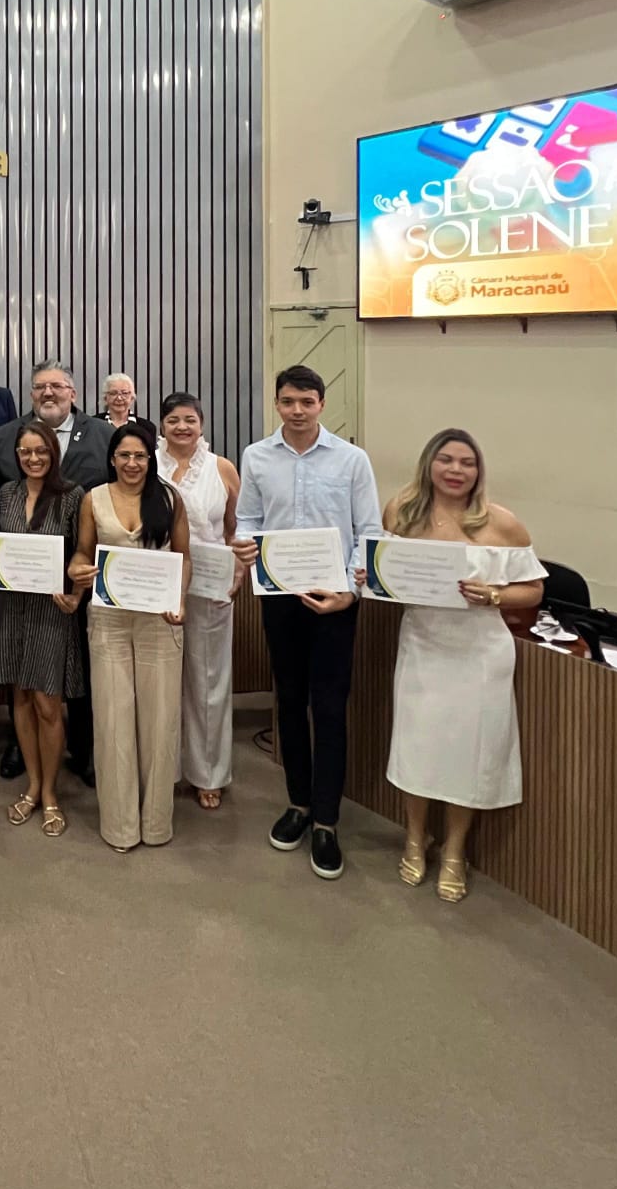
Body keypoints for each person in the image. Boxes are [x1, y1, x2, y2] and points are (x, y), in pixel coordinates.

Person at [379, 429, 546, 902]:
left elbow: (533, 590)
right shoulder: (401, 512)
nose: (456, 470)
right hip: (423, 645)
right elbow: (383, 571)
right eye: (446, 460)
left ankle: (455, 849)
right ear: (429, 465)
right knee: (418, 746)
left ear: (478, 471)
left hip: (479, 653)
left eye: (466, 463)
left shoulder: (503, 524)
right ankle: (415, 837)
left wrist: (494, 594)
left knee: (468, 755)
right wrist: (369, 575)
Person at [233, 364, 383, 881]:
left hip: (335, 602)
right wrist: (246, 545)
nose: (297, 411)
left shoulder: (351, 460)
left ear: (322, 404)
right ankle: (298, 804)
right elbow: (248, 520)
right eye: (288, 402)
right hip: (279, 599)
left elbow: (369, 531)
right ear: (277, 404)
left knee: (330, 710)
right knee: (289, 704)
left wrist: (348, 593)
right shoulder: (256, 456)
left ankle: (327, 821)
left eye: (307, 402)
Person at [0, 361, 115, 785]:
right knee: (23, 673)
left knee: (80, 666)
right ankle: (20, 747)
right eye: (40, 387)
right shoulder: (6, 436)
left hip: (84, 577)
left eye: (57, 387)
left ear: (73, 393)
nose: (48, 394)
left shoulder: (103, 435)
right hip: (21, 585)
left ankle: (84, 746)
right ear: (30, 395)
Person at [68, 424, 189, 852]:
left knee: (159, 722)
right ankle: (120, 826)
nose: (132, 464)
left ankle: (156, 824)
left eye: (139, 456)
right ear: (113, 459)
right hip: (109, 620)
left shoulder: (170, 499)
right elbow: (83, 553)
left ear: (150, 459)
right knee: (113, 720)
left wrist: (180, 600)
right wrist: (76, 572)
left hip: (160, 620)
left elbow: (182, 557)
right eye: (124, 456)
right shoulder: (93, 499)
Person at [0, 423, 84, 838]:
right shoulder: (6, 493)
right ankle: (30, 784)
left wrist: (76, 595)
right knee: (21, 700)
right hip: (10, 608)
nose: (33, 458)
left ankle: (50, 794)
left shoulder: (72, 496)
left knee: (48, 704)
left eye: (41, 451)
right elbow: (2, 547)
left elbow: (83, 550)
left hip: (51, 611)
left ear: (53, 452)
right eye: (25, 452)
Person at [158, 393, 242, 808]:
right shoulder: (146, 465)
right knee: (162, 682)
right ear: (161, 426)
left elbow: (233, 528)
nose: (181, 427)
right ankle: (165, 768)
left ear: (202, 424)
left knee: (208, 680)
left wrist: (238, 570)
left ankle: (208, 772)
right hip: (159, 585)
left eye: (189, 419)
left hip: (210, 586)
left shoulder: (221, 467)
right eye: (172, 420)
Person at [94, 372, 156, 445]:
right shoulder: (92, 425)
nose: (119, 398)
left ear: (132, 398)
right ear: (105, 398)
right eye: (113, 393)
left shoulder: (147, 427)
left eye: (125, 393)